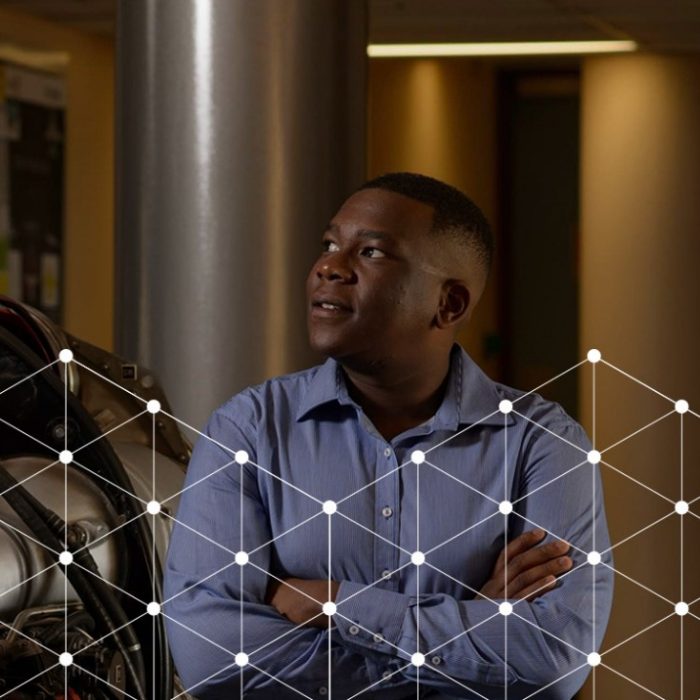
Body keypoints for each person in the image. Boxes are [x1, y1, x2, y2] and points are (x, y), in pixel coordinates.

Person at [163, 173, 613, 699]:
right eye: (330, 245)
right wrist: (473, 627)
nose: (329, 267)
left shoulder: (543, 443)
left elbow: (553, 662)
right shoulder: (249, 428)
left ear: (449, 304)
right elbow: (213, 659)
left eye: (371, 252)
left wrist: (336, 604)